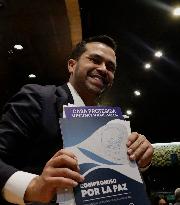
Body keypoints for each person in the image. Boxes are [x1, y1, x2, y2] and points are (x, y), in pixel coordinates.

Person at [0, 35, 153, 205]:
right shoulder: (39, 98)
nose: (103, 69)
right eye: (95, 60)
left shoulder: (113, 122)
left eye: (110, 67)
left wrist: (140, 161)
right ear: (72, 65)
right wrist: (34, 186)